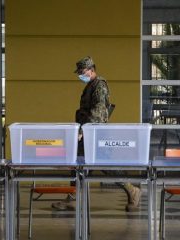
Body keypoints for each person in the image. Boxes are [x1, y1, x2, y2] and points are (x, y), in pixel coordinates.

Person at [51, 56, 141, 212]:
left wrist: (82, 131)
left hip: (95, 134)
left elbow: (98, 112)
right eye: (78, 72)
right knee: (78, 166)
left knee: (107, 166)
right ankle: (73, 198)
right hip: (88, 133)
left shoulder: (99, 85)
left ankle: (132, 190)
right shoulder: (91, 85)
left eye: (82, 71)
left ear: (91, 70)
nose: (80, 74)